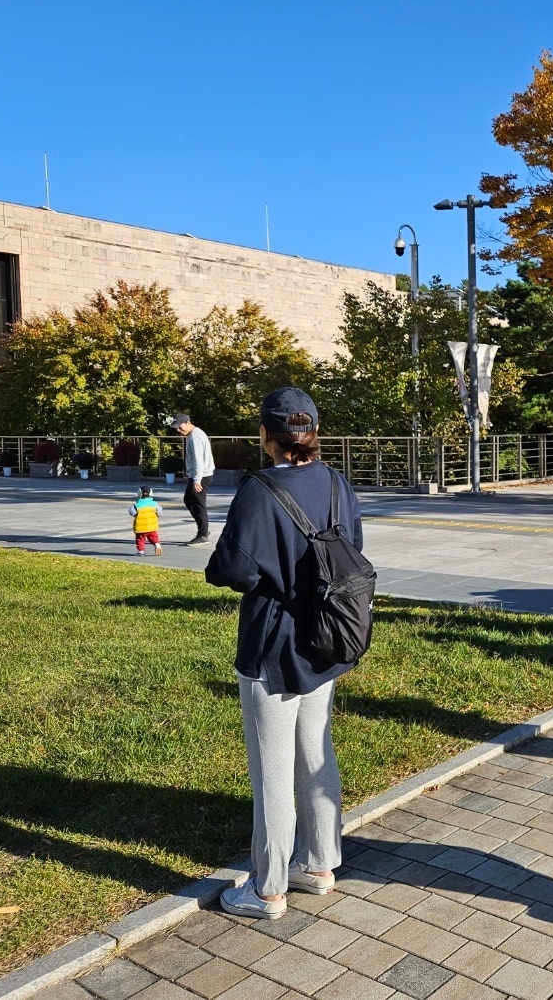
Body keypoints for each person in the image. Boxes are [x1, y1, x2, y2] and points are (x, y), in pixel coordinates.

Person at [204, 387, 364, 919]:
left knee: (272, 769)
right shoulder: (338, 484)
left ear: (265, 436)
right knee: (316, 753)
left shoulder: (259, 490)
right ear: (314, 433)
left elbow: (231, 570)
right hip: (327, 643)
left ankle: (267, 888)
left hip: (272, 649)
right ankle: (320, 864)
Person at [170, 413, 214, 546]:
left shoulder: (195, 437)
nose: (178, 430)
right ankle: (203, 529)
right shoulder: (195, 434)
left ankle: (203, 534)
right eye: (176, 428)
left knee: (198, 504)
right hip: (198, 474)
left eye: (180, 426)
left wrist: (196, 480)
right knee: (189, 499)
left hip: (202, 475)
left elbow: (198, 460)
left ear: (188, 422)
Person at [129, 485, 163, 556]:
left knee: (140, 539)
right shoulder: (155, 504)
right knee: (153, 537)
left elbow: (132, 512)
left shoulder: (137, 505)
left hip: (140, 527)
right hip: (152, 526)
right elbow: (160, 513)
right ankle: (157, 544)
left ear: (139, 493)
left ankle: (141, 551)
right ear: (151, 493)